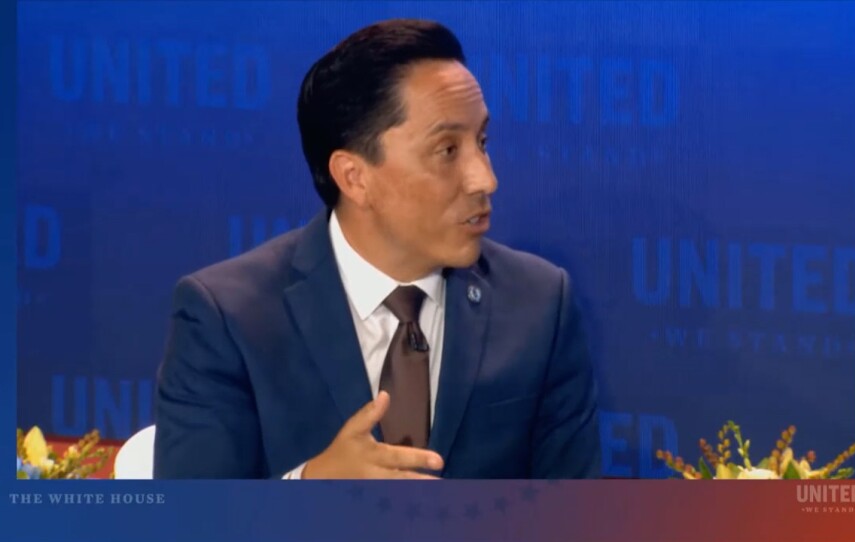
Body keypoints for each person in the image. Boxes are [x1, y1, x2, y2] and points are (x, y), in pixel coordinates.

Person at [153, 18, 600, 479]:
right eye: (447, 150)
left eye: (481, 141)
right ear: (354, 177)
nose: (485, 178)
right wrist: (308, 489)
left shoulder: (540, 305)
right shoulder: (228, 319)